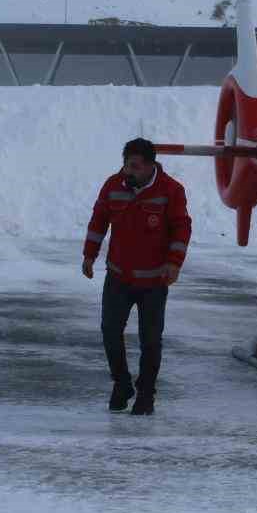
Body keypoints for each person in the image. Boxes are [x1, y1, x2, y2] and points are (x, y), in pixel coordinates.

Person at [82, 138, 191, 415]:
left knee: (151, 340)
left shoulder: (171, 191)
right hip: (118, 277)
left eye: (134, 167)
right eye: (126, 165)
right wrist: (89, 255)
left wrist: (174, 263)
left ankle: (146, 394)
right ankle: (121, 384)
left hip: (154, 282)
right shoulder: (113, 186)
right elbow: (98, 221)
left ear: (150, 166)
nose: (128, 172)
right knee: (110, 332)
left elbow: (181, 229)